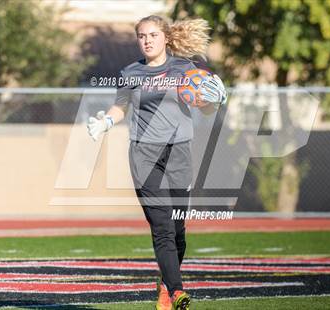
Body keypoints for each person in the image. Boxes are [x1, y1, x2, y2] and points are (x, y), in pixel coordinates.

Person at [87, 15, 227, 310]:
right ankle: (177, 291)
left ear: (165, 37)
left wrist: (215, 100)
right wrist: (106, 122)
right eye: (142, 36)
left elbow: (204, 108)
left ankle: (165, 285)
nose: (147, 40)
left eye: (152, 35)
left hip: (178, 153)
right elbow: (120, 106)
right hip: (143, 154)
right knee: (161, 224)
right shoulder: (130, 73)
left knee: (177, 229)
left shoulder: (185, 69)